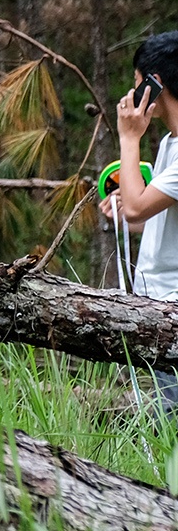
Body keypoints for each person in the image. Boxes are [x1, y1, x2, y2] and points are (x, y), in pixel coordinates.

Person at [109, 30, 178, 404]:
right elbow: (141, 214)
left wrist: (130, 137)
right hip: (158, 304)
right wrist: (128, 211)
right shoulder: (171, 143)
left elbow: (137, 206)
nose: (131, 94)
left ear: (155, 83)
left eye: (137, 84)